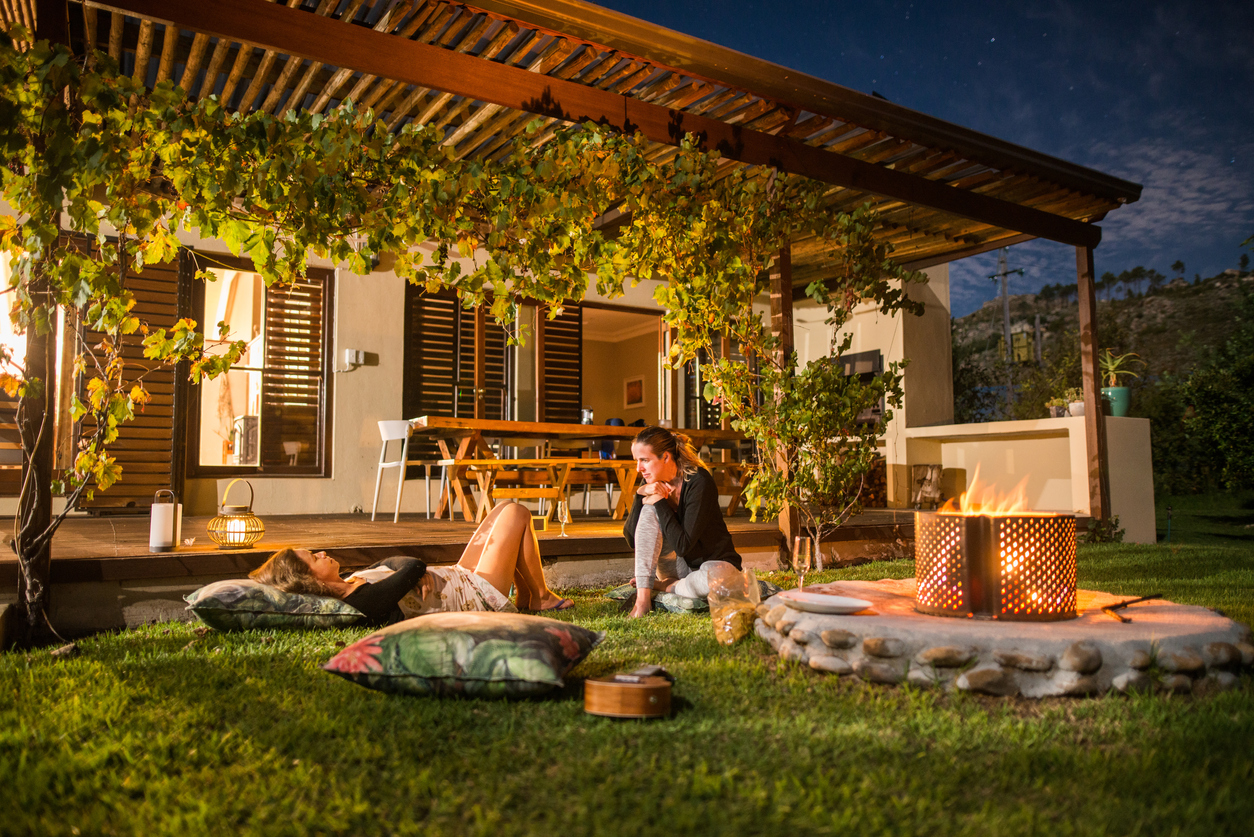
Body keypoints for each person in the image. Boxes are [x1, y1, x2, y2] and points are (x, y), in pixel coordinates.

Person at [250, 501, 573, 626]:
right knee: (516, 514)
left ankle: (532, 597)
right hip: (475, 595)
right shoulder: (363, 601)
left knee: (503, 508)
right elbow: (412, 566)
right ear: (309, 580)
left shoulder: (352, 581)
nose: (322, 553)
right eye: (314, 558)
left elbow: (394, 562)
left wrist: (406, 571)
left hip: (458, 577)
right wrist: (408, 572)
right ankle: (540, 597)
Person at [622, 425, 742, 618]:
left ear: (666, 457)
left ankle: (667, 586)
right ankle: (642, 600)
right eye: (637, 461)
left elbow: (684, 545)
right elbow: (632, 539)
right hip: (676, 567)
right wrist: (639, 495)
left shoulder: (698, 482)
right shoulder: (651, 481)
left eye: (644, 460)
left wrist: (660, 501)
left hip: (711, 566)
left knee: (721, 581)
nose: (639, 468)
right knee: (648, 509)